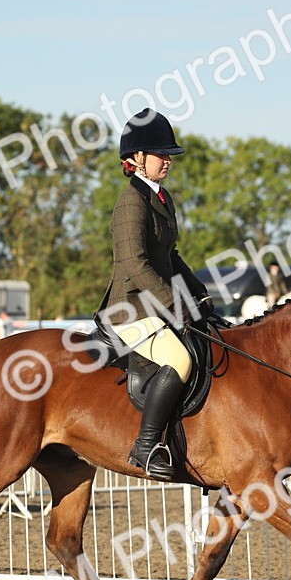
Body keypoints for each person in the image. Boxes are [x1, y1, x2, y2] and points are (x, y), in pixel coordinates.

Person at [96, 109, 212, 480]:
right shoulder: (131, 203)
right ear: (135, 159)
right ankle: (146, 446)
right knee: (179, 360)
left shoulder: (162, 199)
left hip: (155, 306)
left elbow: (169, 256)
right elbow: (135, 264)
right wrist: (174, 304)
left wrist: (198, 291)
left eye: (169, 155)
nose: (167, 161)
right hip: (129, 310)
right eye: (160, 154)